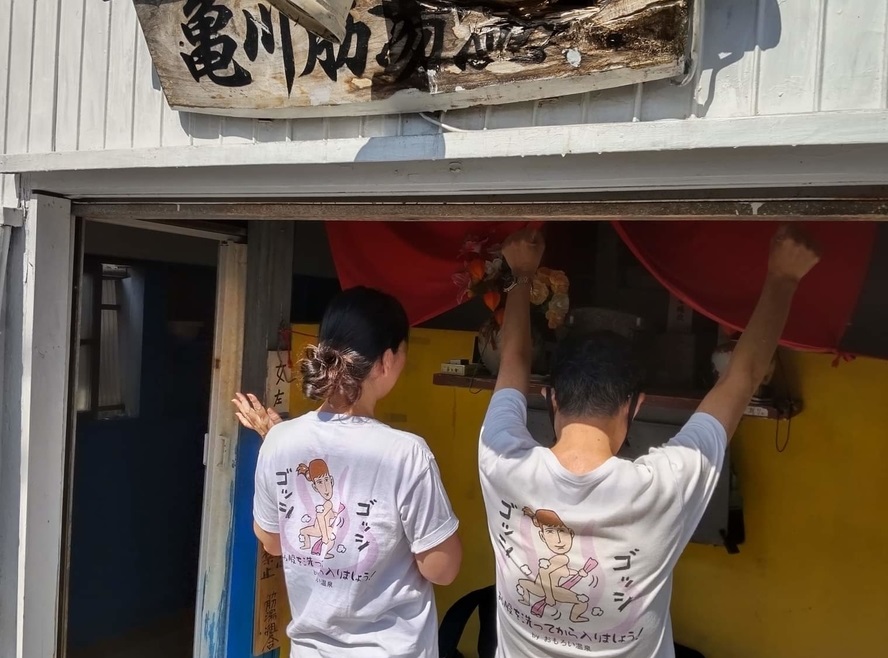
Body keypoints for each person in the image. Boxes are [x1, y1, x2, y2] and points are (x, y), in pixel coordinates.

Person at [479, 226, 820, 657]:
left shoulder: (500, 458)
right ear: (635, 406)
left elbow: (512, 359)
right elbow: (742, 377)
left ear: (551, 398)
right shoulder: (666, 485)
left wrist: (520, 274)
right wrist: (783, 277)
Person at [236, 286, 462, 658]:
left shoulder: (278, 440)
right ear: (386, 361)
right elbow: (442, 569)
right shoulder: (407, 453)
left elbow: (273, 542)